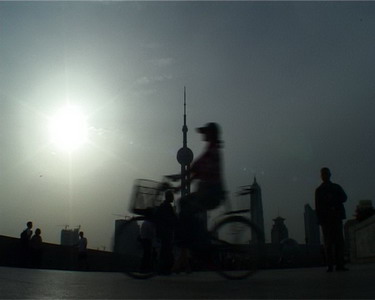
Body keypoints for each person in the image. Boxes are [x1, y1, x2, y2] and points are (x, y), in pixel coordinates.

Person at [174, 122, 226, 272]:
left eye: (205, 132)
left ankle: (197, 246)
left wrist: (181, 180)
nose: (203, 135)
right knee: (185, 205)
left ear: (211, 134)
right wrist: (180, 184)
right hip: (208, 192)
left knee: (185, 207)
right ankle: (187, 253)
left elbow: (197, 170)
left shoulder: (213, 151)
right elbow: (195, 171)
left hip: (211, 193)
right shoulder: (210, 150)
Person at [315, 167, 348, 272]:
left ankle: (339, 264)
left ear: (329, 175)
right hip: (326, 220)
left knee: (338, 242)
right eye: (323, 174)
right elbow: (318, 207)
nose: (325, 176)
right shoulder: (319, 190)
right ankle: (330, 265)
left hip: (336, 217)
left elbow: (344, 198)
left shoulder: (336, 187)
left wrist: (333, 200)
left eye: (326, 174)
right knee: (328, 243)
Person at [155, 190, 178, 275]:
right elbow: (173, 219)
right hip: (166, 232)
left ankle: (163, 269)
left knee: (165, 250)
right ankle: (164, 269)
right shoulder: (167, 206)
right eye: (171, 196)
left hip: (163, 232)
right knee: (166, 251)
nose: (173, 198)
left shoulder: (163, 206)